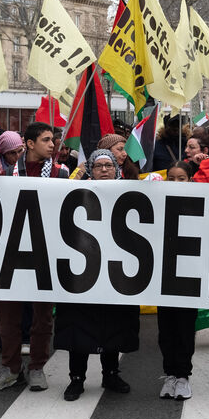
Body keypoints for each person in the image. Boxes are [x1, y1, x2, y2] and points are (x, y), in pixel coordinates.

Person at [0, 121, 64, 394]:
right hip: (11, 254)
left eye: (53, 140)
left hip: (45, 253)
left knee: (42, 316)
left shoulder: (61, 173)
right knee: (8, 316)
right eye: (46, 140)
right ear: (29, 144)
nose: (52, 144)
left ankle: (37, 367)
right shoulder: (6, 173)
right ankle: (10, 368)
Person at [57, 149, 138, 400]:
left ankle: (110, 374)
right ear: (90, 170)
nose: (104, 170)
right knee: (78, 325)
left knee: (114, 324)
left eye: (109, 165)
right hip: (83, 270)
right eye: (99, 166)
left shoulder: (130, 194)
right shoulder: (75, 193)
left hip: (115, 271)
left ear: (117, 169)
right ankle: (76, 378)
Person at [157, 162, 199, 400]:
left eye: (181, 178)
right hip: (163, 275)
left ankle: (183, 375)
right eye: (171, 178)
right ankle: (170, 374)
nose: (175, 183)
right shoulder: (157, 202)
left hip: (188, 274)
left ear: (190, 180)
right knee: (166, 329)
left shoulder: (200, 202)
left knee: (184, 327)